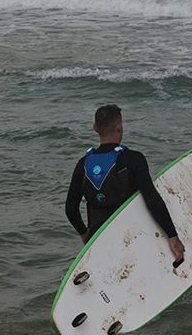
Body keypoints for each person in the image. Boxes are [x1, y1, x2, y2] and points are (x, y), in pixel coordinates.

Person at [63, 104, 184, 263]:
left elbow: (71, 209)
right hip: (133, 237)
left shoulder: (83, 164)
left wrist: (86, 236)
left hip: (99, 239)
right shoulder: (133, 159)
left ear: (95, 128)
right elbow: (152, 200)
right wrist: (172, 236)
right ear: (119, 128)